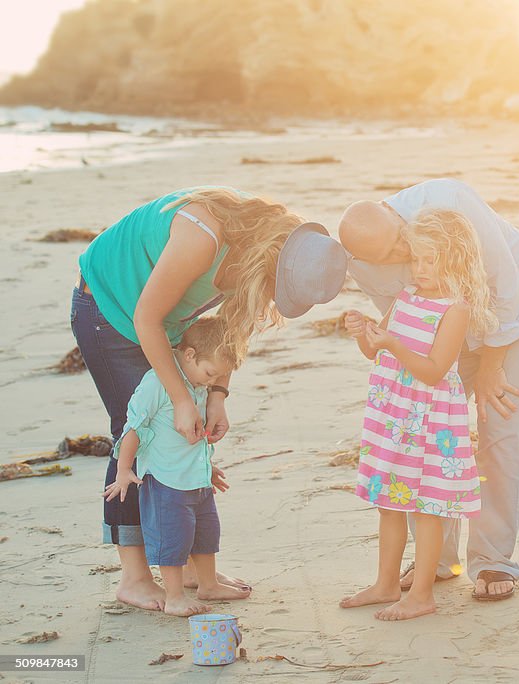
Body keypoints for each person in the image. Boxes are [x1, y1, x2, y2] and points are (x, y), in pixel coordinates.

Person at [72, 187, 346, 610]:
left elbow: (226, 332)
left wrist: (216, 395)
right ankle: (134, 577)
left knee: (180, 437)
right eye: (279, 289)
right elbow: (147, 318)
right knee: (137, 431)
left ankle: (188, 569)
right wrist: (182, 399)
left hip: (168, 320)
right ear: (271, 262)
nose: (274, 299)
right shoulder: (203, 236)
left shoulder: (258, 255)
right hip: (110, 311)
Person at [337, 179, 519, 600]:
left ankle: (493, 560)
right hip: (447, 327)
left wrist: (493, 364)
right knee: (433, 439)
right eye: (385, 260)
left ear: (399, 221)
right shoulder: (362, 260)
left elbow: (506, 292)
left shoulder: (451, 205)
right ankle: (436, 559)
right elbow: (407, 321)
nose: (402, 262)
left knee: (499, 427)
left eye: (400, 249)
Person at [339, 209, 495, 620]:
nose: (420, 269)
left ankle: (422, 593)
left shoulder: (454, 310)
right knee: (389, 502)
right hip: (392, 416)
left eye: (431, 260)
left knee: (425, 506)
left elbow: (434, 370)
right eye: (417, 259)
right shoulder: (405, 297)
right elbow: (375, 350)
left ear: (455, 260)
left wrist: (391, 343)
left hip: (429, 421)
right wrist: (365, 334)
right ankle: (386, 582)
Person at [104, 317, 249, 617]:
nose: (211, 382)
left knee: (206, 535)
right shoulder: (156, 384)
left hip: (196, 481)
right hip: (167, 482)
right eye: (210, 374)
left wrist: (207, 466)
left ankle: (208, 583)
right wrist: (123, 470)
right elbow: (133, 428)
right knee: (173, 540)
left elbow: (195, 437)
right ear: (190, 355)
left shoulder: (198, 385)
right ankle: (174, 597)